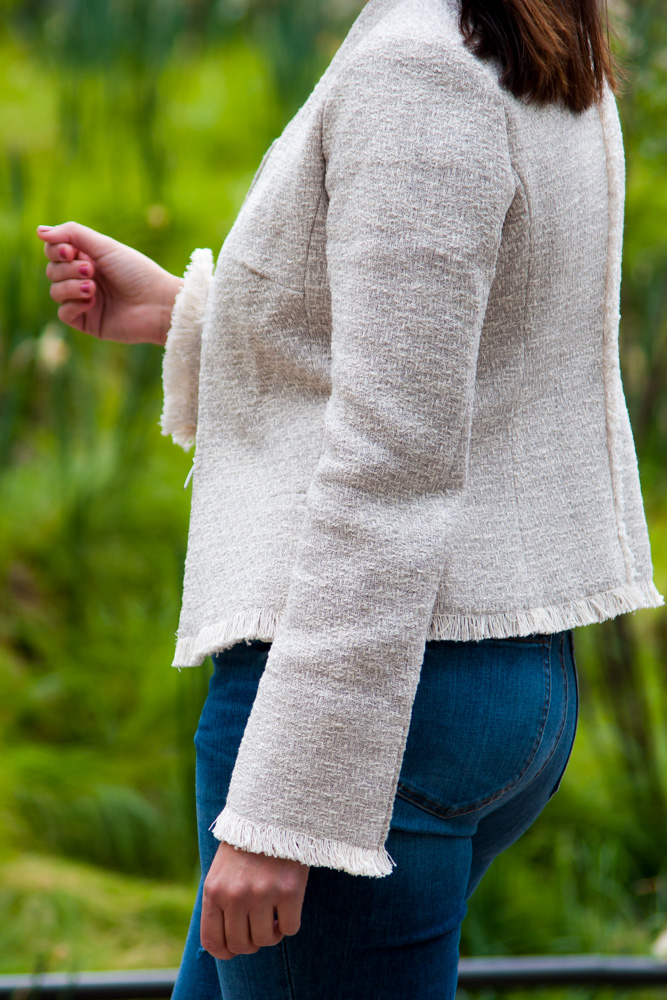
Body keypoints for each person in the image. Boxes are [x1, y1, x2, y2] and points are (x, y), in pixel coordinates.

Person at [36, 0, 664, 995]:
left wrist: (294, 802)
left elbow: (391, 461)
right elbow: (475, 350)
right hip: (490, 677)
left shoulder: (417, 68)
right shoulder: (531, 39)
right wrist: (182, 312)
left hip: (367, 711)